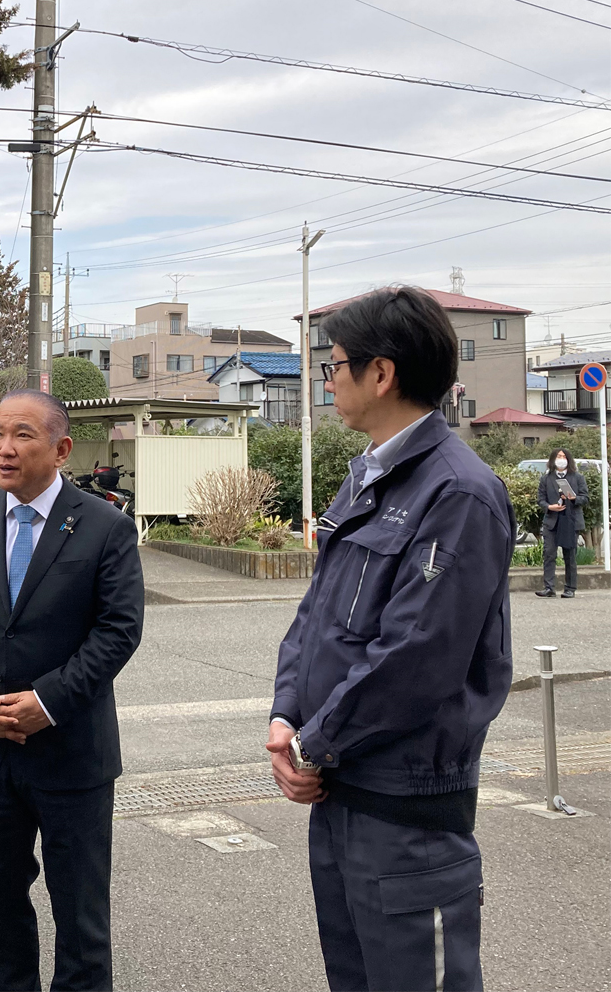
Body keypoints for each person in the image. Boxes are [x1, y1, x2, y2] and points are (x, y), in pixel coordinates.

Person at [268, 286, 515, 992]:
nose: (327, 378)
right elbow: (314, 617)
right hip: (340, 790)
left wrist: (313, 741)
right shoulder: (368, 475)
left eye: (336, 363)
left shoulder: (459, 491)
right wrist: (287, 714)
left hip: (406, 809)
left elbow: (418, 656)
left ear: (383, 374)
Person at [0, 390, 144, 992]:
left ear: (61, 448)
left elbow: (119, 631)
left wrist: (47, 703)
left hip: (71, 752)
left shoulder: (105, 527)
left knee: (79, 912)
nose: (4, 448)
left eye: (22, 434)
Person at [535, 447, 588, 599]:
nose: (561, 459)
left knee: (569, 556)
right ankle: (549, 587)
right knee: (549, 554)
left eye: (564, 456)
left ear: (569, 460)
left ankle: (570, 588)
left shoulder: (577, 477)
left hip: (570, 521)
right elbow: (540, 499)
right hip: (552, 521)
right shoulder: (546, 478)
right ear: (553, 459)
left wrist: (573, 498)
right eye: (558, 456)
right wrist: (549, 507)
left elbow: (585, 498)